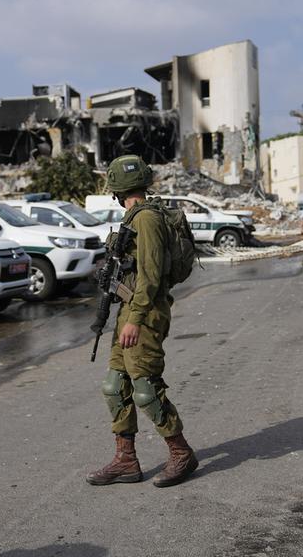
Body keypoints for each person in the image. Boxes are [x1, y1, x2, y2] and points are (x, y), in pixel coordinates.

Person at [86, 154, 198, 488]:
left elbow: (149, 277)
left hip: (145, 314)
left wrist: (134, 319)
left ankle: (180, 452)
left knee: (145, 388)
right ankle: (125, 460)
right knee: (114, 387)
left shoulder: (147, 219)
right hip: (130, 311)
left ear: (117, 189)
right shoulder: (134, 218)